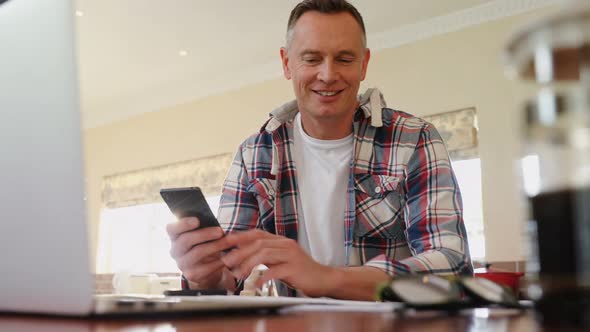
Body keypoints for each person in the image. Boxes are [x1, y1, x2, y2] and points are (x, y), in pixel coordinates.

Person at [166, 0, 473, 301]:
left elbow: (452, 270)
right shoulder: (254, 154)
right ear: (287, 63)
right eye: (312, 59)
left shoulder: (414, 138)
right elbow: (227, 278)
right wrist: (202, 275)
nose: (327, 75)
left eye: (344, 59)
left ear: (364, 63)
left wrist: (326, 278)